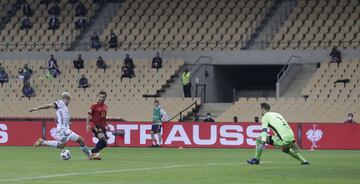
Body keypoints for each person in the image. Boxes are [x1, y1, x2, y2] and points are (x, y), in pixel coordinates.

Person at [30, 92, 97, 160]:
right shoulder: (60, 103)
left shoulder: (63, 107)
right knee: (78, 141)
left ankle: (43, 142)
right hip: (63, 130)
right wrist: (37, 108)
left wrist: (67, 124)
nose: (69, 102)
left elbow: (60, 118)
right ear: (66, 98)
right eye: (69, 100)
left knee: (64, 144)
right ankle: (89, 155)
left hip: (64, 129)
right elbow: (49, 106)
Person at [86, 90, 108, 160]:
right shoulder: (94, 106)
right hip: (95, 125)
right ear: (98, 97)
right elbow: (88, 116)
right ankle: (94, 154)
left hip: (102, 127)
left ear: (105, 98)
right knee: (102, 138)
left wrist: (106, 125)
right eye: (100, 97)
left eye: (103, 97)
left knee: (104, 143)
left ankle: (91, 153)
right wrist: (87, 124)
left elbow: (103, 117)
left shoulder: (105, 106)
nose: (101, 98)